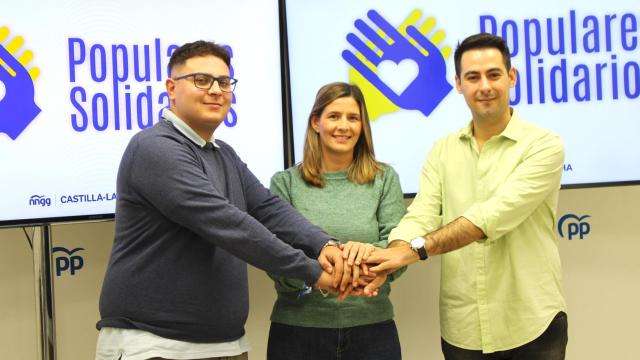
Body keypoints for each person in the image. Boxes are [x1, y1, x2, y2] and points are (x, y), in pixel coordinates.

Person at [95, 40, 348, 360]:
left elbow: (267, 209)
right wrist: (314, 272)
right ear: (171, 88)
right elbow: (227, 223)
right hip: (155, 345)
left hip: (226, 344)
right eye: (201, 80)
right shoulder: (155, 147)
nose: (216, 90)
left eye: (224, 82)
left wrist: (325, 245)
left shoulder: (223, 154)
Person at [365, 33, 568, 359]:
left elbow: (491, 217)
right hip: (464, 328)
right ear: (458, 84)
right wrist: (393, 253)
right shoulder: (442, 150)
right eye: (473, 77)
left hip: (532, 323)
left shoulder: (544, 145)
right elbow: (423, 212)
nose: (484, 86)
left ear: (511, 77)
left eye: (494, 74)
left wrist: (413, 252)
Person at [266, 82, 407, 360]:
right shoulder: (285, 183)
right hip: (298, 333)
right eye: (334, 116)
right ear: (316, 123)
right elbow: (276, 257)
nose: (344, 126)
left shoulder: (385, 178)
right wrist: (323, 275)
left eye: (353, 118)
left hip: (373, 330)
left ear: (362, 126)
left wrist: (362, 254)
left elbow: (397, 249)